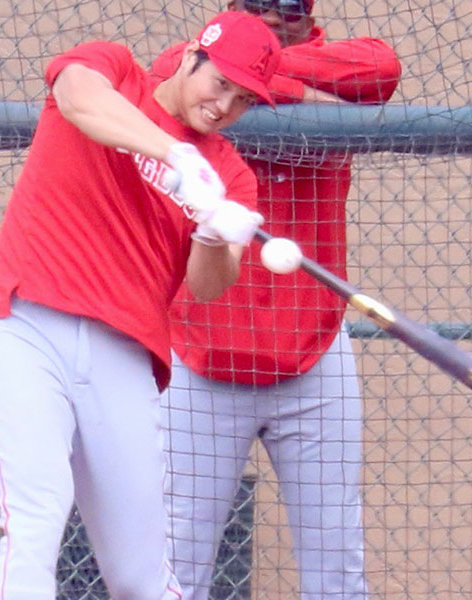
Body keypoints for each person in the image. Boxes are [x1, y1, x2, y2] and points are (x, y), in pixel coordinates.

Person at [0, 11, 281, 600]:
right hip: (26, 325)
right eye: (220, 84)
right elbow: (79, 98)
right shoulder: (114, 69)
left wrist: (214, 234)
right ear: (192, 56)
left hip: (124, 357)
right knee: (36, 519)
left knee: (141, 574)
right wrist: (174, 155)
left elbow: (211, 285)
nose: (223, 107)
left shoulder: (231, 176)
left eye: (243, 100)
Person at [152, 2, 402, 599]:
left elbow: (382, 68)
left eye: (287, 5)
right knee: (173, 564)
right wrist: (261, 71)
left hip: (314, 357)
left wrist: (266, 65)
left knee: (336, 567)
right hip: (202, 356)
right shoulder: (194, 61)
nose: (273, 15)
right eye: (256, 6)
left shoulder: (334, 61)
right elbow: (165, 68)